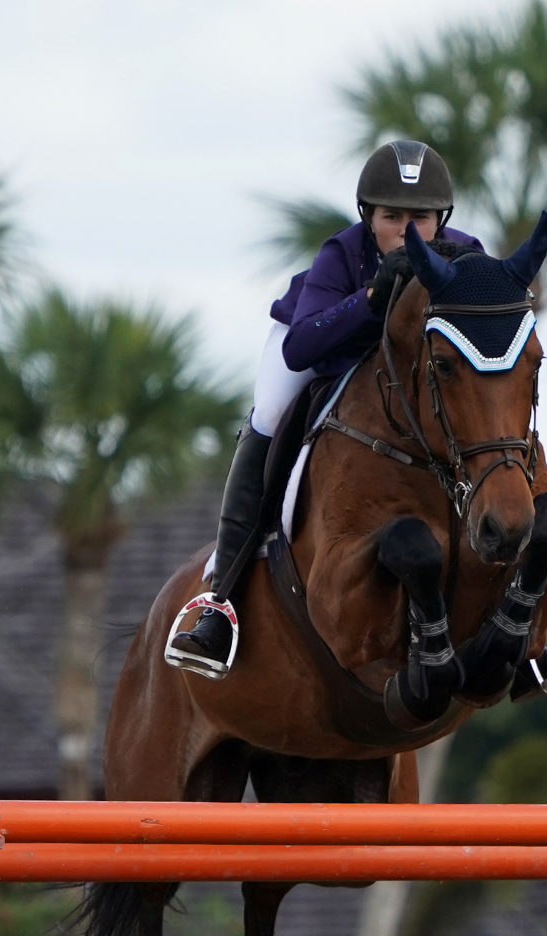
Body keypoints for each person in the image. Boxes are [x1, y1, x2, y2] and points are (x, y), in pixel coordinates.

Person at [165, 140, 483, 679]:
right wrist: (371, 298)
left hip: (405, 377)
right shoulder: (344, 253)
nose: (408, 231)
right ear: (368, 216)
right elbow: (301, 348)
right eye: (392, 217)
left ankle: (526, 603)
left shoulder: (466, 253)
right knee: (268, 414)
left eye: (421, 218)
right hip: (326, 353)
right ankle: (221, 599)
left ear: (442, 219)